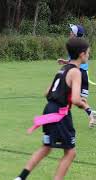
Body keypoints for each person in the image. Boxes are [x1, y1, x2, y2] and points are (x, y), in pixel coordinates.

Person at [15, 38, 91, 180]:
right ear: (81, 54)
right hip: (60, 114)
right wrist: (86, 107)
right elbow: (75, 99)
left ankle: (20, 178)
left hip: (49, 110)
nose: (88, 55)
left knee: (46, 147)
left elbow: (47, 92)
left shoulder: (62, 69)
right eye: (88, 53)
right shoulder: (76, 72)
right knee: (70, 152)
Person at [57, 24, 96, 128]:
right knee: (81, 99)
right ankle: (92, 115)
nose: (70, 33)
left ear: (75, 34)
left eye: (71, 32)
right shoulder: (79, 45)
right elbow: (73, 61)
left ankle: (60, 117)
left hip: (78, 74)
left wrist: (66, 64)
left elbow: (74, 63)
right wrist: (65, 61)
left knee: (68, 97)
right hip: (83, 74)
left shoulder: (74, 46)